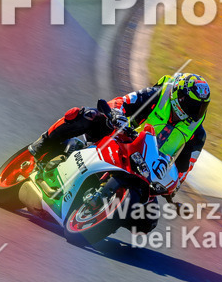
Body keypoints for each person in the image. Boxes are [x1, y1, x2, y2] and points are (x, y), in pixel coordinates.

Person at [28, 72, 210, 196]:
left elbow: (183, 171)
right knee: (88, 115)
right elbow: (123, 101)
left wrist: (171, 185)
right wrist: (116, 114)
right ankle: (42, 144)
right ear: (179, 96)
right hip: (118, 137)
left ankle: (104, 210)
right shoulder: (157, 96)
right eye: (192, 105)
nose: (195, 111)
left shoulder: (197, 134)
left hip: (144, 169)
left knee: (147, 220)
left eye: (201, 107)